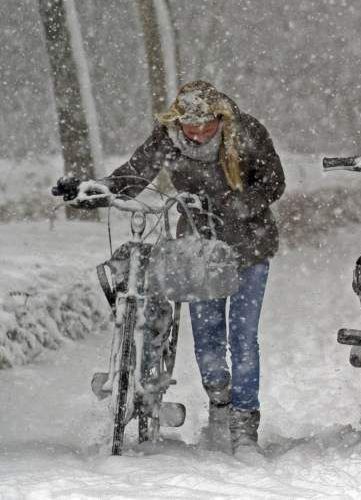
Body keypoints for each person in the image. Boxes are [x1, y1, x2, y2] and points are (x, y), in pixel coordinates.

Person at [52, 80, 285, 456]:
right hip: (195, 246)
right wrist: (94, 190)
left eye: (205, 125)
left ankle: (245, 427)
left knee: (243, 339)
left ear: (218, 117)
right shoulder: (167, 138)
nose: (197, 132)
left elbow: (275, 181)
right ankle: (220, 403)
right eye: (190, 126)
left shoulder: (246, 131)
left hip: (248, 247)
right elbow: (133, 174)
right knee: (208, 338)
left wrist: (241, 204)